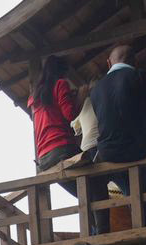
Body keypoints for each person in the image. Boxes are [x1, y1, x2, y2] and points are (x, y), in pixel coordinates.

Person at [89, 45, 146, 232]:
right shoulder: (141, 77)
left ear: (109, 63)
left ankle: (101, 230)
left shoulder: (96, 89)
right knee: (144, 187)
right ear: (135, 62)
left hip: (108, 152)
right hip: (138, 149)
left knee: (98, 180)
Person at [28, 54, 87, 191]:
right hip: (62, 149)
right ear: (62, 72)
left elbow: (50, 114)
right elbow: (70, 114)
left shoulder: (34, 97)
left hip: (44, 157)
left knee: (84, 191)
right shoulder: (60, 84)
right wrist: (81, 97)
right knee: (97, 185)